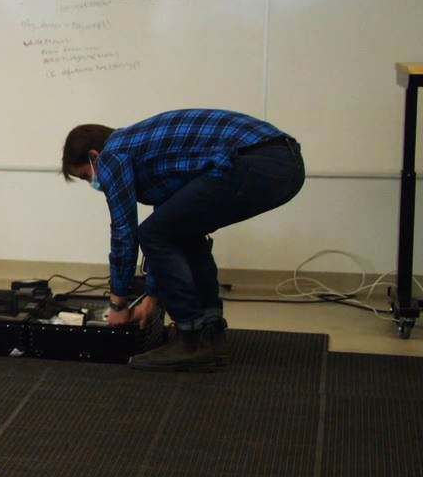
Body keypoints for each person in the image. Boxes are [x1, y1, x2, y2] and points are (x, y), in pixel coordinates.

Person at [62, 110, 304, 372]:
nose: (94, 183)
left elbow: (124, 231)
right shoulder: (145, 153)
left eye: (86, 175)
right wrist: (151, 297)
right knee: (178, 231)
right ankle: (211, 334)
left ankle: (190, 340)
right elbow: (170, 228)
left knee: (152, 233)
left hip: (258, 160)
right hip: (282, 161)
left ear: (94, 156)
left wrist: (118, 303)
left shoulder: (113, 154)